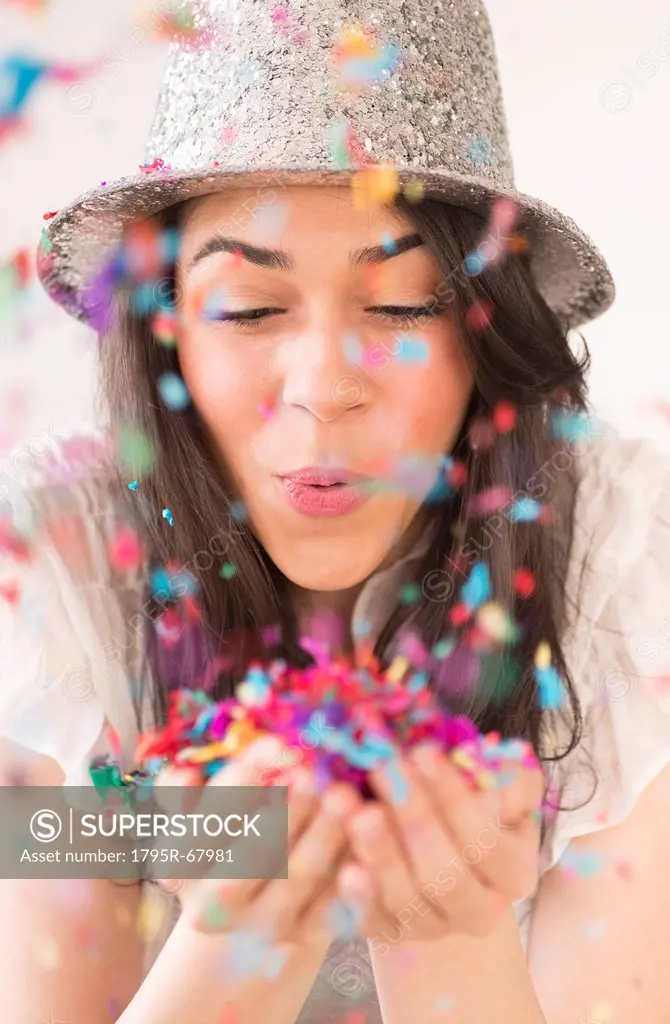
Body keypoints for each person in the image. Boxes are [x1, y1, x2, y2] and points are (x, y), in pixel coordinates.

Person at [1, 1, 670, 1022]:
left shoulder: (620, 567)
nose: (322, 386)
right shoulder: (53, 564)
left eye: (402, 305)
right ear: (166, 330)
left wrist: (453, 931)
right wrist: (237, 925)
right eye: (248, 309)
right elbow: (48, 856)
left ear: (492, 328)